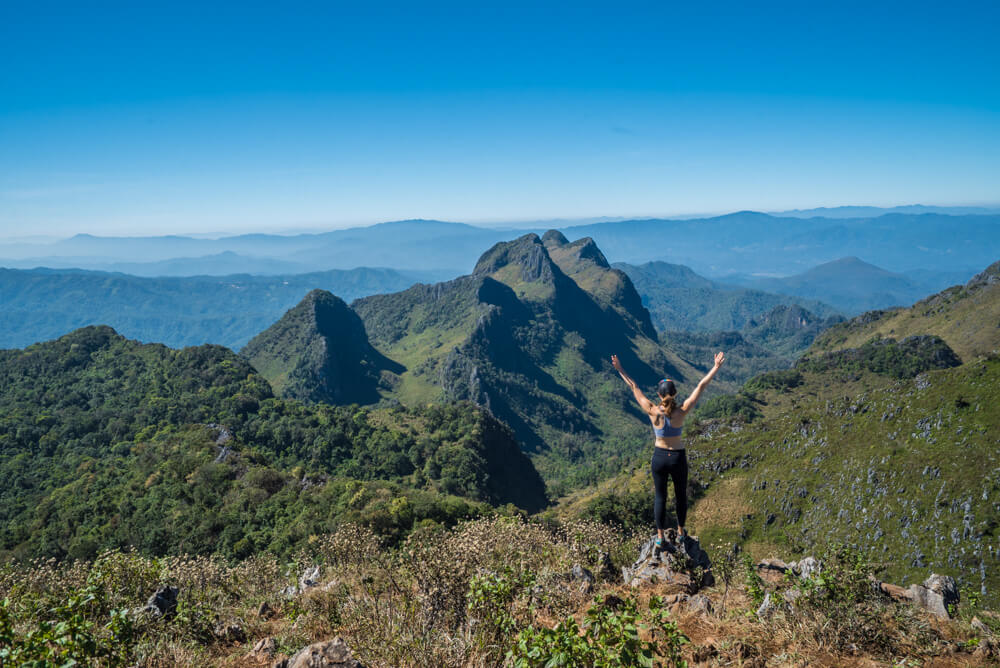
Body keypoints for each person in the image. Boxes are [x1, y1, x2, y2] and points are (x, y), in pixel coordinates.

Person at [611, 351, 725, 548]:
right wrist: (715, 367)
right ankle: (681, 533)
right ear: (675, 394)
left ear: (659, 395)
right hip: (678, 457)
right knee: (680, 495)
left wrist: (620, 369)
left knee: (660, 497)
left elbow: (634, 386)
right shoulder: (682, 411)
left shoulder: (652, 410)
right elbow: (701, 386)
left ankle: (660, 537)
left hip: (660, 458)